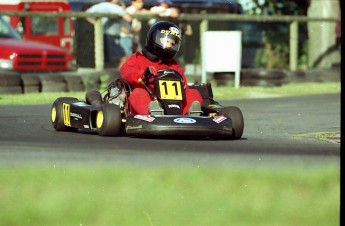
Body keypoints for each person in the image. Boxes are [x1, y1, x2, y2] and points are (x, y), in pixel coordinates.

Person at [120, 21, 203, 115]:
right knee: (138, 93)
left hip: (174, 103)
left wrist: (183, 87)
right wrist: (143, 74)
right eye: (167, 41)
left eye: (172, 43)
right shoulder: (139, 58)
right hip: (150, 99)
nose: (169, 46)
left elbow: (185, 87)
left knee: (194, 93)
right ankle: (154, 113)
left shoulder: (174, 66)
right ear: (155, 39)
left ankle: (189, 116)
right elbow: (126, 71)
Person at [86, 0, 132, 67]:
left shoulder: (100, 5)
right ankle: (119, 76)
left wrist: (96, 24)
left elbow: (87, 14)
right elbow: (128, 18)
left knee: (108, 60)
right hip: (110, 36)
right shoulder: (114, 7)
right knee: (124, 57)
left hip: (102, 35)